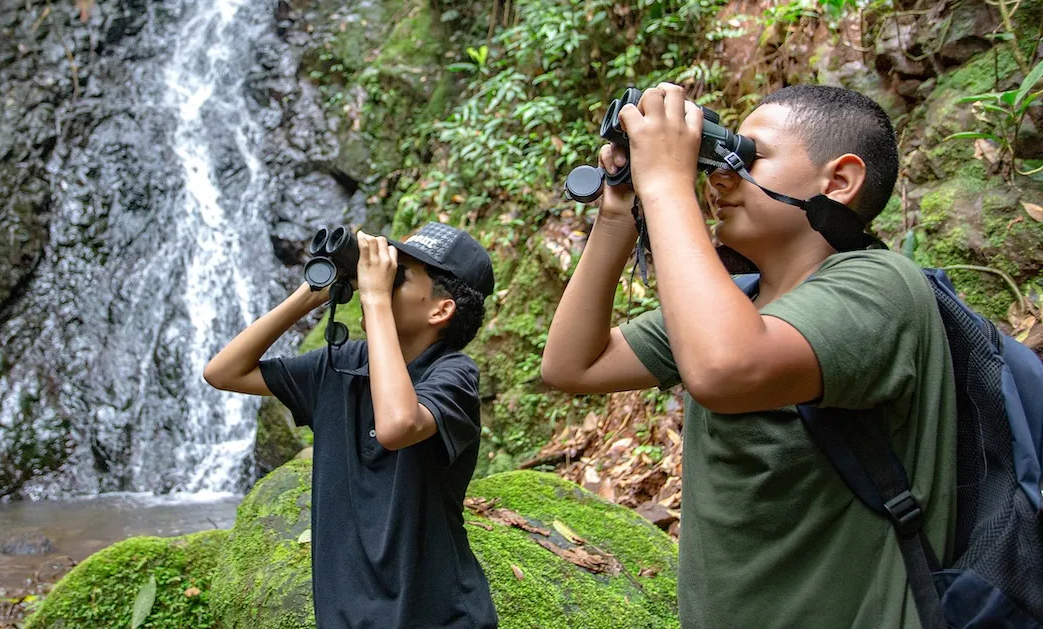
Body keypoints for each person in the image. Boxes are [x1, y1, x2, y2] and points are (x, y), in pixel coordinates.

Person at [541, 83, 956, 629]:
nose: (719, 176)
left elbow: (724, 368)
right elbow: (572, 365)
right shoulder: (739, 300)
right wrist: (619, 214)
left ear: (838, 181)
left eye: (749, 154)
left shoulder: (881, 286)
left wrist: (666, 181)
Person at [204, 222, 499, 629]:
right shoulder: (338, 364)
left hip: (436, 616)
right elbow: (223, 372)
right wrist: (310, 295)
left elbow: (397, 424)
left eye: (399, 275)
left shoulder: (453, 376)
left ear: (441, 309)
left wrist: (376, 299)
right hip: (345, 617)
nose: (376, 280)